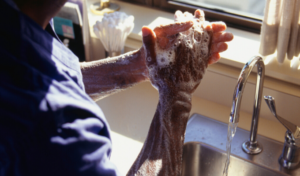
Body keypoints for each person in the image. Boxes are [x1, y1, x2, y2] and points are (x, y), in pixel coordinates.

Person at [0, 0, 233, 175]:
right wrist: (178, 94)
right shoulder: (61, 130)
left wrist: (140, 64)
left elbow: (45, 76)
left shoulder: (15, 19)